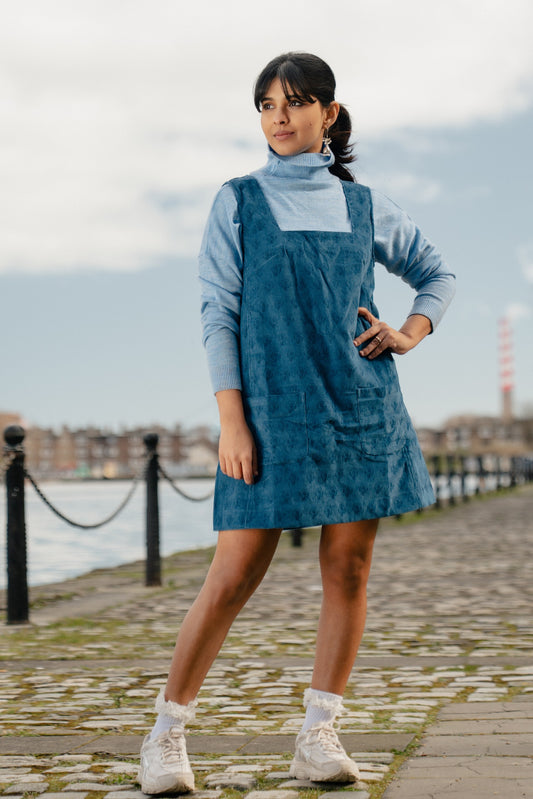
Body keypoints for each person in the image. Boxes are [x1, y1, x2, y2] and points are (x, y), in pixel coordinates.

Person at [139, 51, 455, 794]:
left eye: (294, 101)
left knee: (347, 568)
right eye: (266, 104)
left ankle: (318, 734)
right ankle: (164, 735)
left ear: (328, 114)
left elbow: (436, 273)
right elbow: (218, 311)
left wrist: (409, 331)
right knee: (232, 574)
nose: (278, 116)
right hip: (269, 412)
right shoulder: (237, 200)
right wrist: (231, 420)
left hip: (359, 408)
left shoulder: (365, 203)